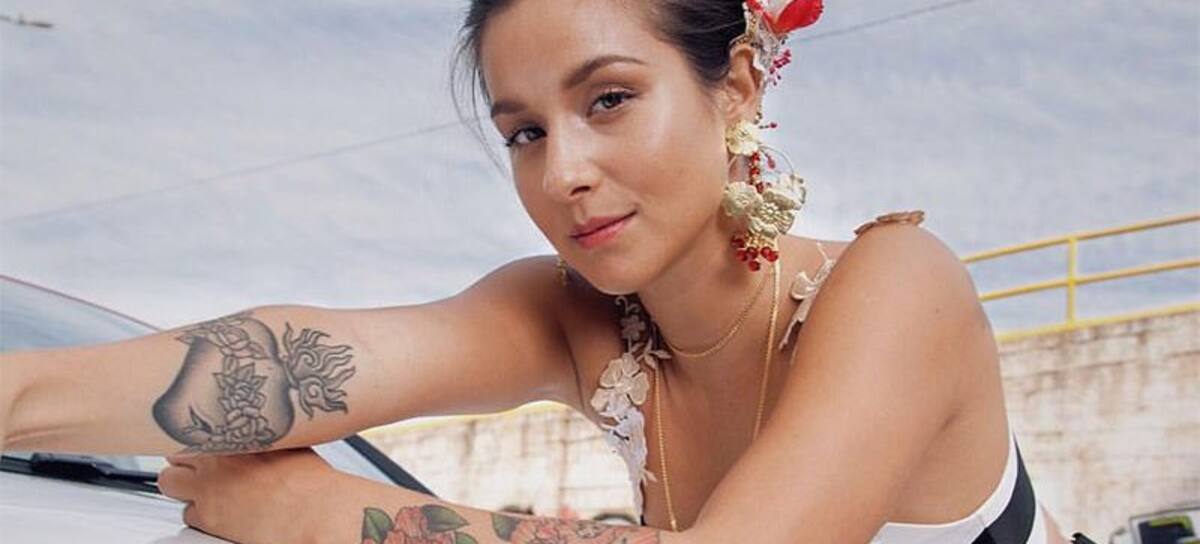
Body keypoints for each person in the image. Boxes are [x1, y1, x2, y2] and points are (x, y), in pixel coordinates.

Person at [0, 1, 1072, 543]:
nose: (562, 174)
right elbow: (310, 356)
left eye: (609, 99)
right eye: (523, 131)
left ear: (738, 86)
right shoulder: (576, 314)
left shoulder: (897, 285)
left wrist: (336, 517)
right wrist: (18, 397)